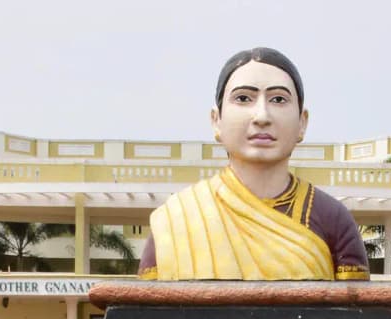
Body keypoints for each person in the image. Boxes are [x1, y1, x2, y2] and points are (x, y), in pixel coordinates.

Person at [139, 47, 369, 282]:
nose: (262, 116)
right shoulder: (177, 220)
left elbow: (359, 315)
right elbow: (145, 316)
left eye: (278, 99)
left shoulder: (332, 219)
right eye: (243, 98)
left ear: (302, 122)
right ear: (216, 121)